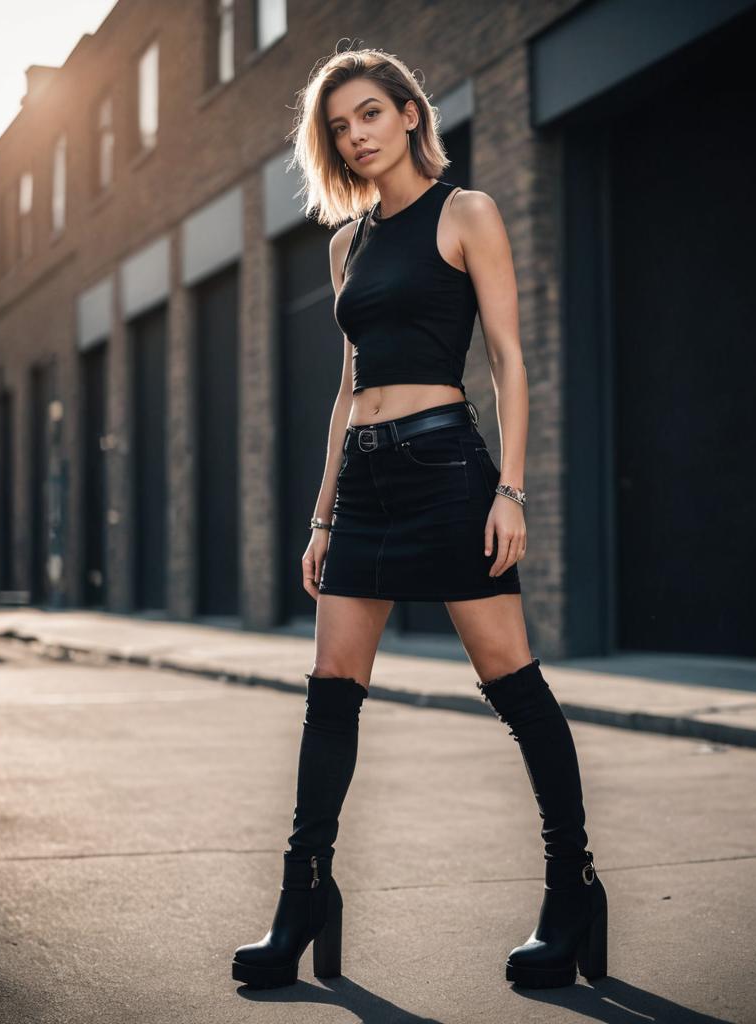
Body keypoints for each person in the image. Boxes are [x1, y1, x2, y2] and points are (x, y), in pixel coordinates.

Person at [232, 44, 607, 991]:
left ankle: (575, 891)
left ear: (408, 113)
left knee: (514, 687)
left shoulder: (465, 212)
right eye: (339, 126)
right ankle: (303, 895)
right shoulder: (345, 243)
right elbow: (347, 389)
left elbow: (511, 362)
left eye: (368, 114)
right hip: (363, 480)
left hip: (448, 467)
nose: (355, 136)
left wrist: (509, 490)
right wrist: (321, 518)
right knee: (330, 695)